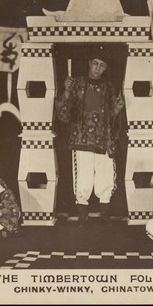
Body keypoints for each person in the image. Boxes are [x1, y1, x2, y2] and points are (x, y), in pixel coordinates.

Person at [55, 46, 124, 227]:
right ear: (89, 64)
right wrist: (67, 91)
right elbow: (63, 115)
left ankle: (105, 216)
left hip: (104, 140)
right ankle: (82, 217)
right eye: (95, 64)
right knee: (83, 179)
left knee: (106, 177)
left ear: (106, 68)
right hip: (81, 139)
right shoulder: (76, 84)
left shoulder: (109, 88)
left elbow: (111, 117)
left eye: (102, 65)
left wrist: (117, 109)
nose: (97, 68)